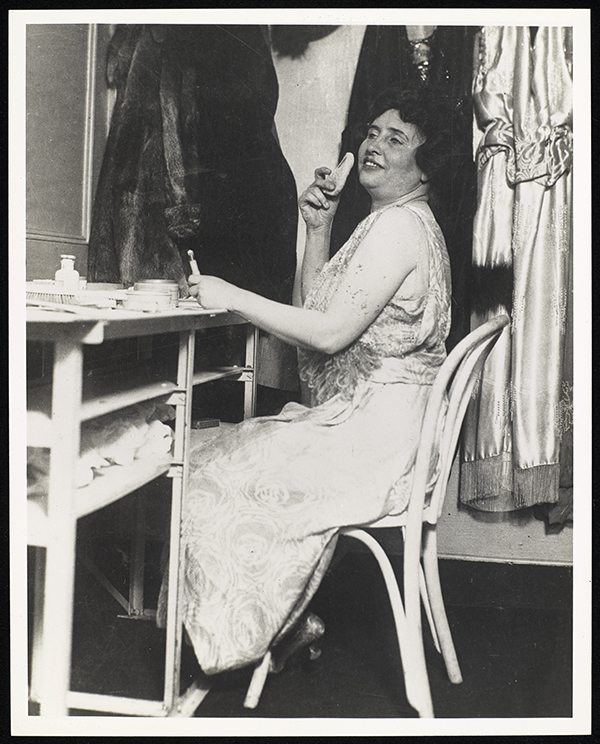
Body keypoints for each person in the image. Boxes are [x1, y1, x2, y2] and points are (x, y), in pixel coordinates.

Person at [159, 86, 453, 676]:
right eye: (371, 132)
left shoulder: (397, 230)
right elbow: (316, 317)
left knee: (201, 466)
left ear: (425, 166)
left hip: (375, 447)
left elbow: (324, 335)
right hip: (379, 432)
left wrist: (231, 295)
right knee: (213, 449)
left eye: (396, 139)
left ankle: (251, 635)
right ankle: (277, 624)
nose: (373, 145)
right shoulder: (395, 223)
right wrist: (316, 228)